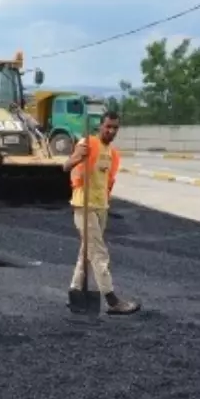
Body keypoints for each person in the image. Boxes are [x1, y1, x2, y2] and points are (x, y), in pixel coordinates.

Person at [63, 110, 140, 315]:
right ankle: (112, 299)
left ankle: (75, 291)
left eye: (115, 128)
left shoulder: (113, 154)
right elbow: (66, 166)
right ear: (100, 126)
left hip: (101, 207)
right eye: (108, 126)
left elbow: (108, 183)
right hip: (84, 205)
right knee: (98, 252)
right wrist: (78, 158)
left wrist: (106, 202)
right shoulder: (87, 144)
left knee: (86, 253)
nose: (111, 130)